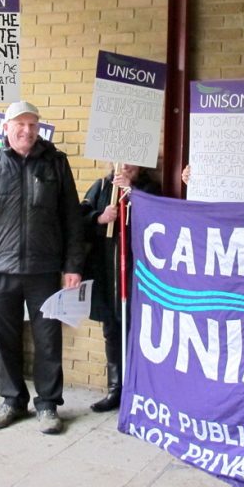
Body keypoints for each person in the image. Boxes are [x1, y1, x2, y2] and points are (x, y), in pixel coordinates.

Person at [0, 101, 84, 435]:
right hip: (1, 269)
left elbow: (71, 217)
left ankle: (47, 404)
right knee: (6, 338)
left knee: (47, 340)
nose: (27, 130)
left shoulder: (55, 163)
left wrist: (72, 264)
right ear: (6, 127)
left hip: (43, 270)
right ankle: (12, 399)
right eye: (20, 124)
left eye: (32, 124)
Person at [80, 164, 161, 412]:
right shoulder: (101, 187)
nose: (125, 164)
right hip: (107, 272)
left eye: (131, 159)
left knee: (140, 331)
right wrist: (99, 218)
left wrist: (134, 194)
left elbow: (161, 217)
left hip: (139, 273)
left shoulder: (150, 188)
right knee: (112, 331)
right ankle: (116, 389)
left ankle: (140, 391)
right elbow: (79, 219)